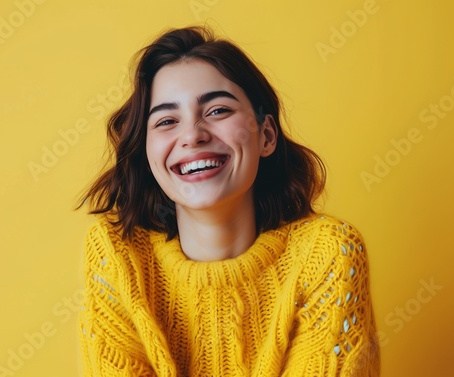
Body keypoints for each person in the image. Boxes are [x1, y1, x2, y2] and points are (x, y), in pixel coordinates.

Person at [76, 26, 380, 376]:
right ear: (147, 153)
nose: (192, 135)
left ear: (266, 135)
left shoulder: (329, 255)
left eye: (218, 110)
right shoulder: (117, 256)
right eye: (167, 120)